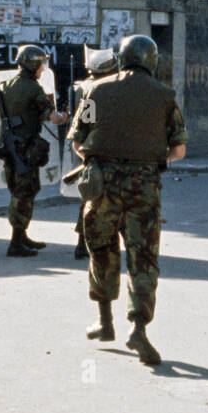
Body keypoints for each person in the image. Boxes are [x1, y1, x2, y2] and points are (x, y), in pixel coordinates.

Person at [69, 35, 187, 366]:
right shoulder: (165, 96)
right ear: (152, 60)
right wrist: (150, 157)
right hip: (144, 187)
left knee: (102, 251)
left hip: (103, 186)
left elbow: (78, 141)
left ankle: (105, 322)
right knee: (143, 257)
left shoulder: (95, 90)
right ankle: (139, 328)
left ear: (121, 58)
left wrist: (97, 157)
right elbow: (178, 150)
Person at [0, 44, 69, 257]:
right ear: (33, 65)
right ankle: (16, 243)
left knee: (19, 190)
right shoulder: (32, 88)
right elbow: (53, 118)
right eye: (41, 64)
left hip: (10, 145)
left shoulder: (8, 84)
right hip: (25, 148)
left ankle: (21, 236)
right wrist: (65, 115)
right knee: (25, 192)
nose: (43, 69)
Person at [69, 46, 119, 260]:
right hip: (99, 150)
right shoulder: (96, 90)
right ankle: (86, 243)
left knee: (89, 196)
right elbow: (88, 122)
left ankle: (84, 242)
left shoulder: (87, 87)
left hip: (90, 148)